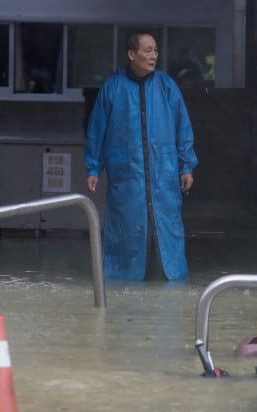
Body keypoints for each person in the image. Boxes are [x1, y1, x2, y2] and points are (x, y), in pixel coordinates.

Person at [84, 32, 198, 281]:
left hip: (164, 177)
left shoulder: (167, 86)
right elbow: (97, 130)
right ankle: (124, 285)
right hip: (127, 178)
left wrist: (186, 165)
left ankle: (169, 283)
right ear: (131, 54)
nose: (153, 55)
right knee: (126, 228)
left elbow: (183, 127)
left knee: (166, 227)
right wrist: (93, 168)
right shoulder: (112, 88)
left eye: (155, 50)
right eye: (147, 50)